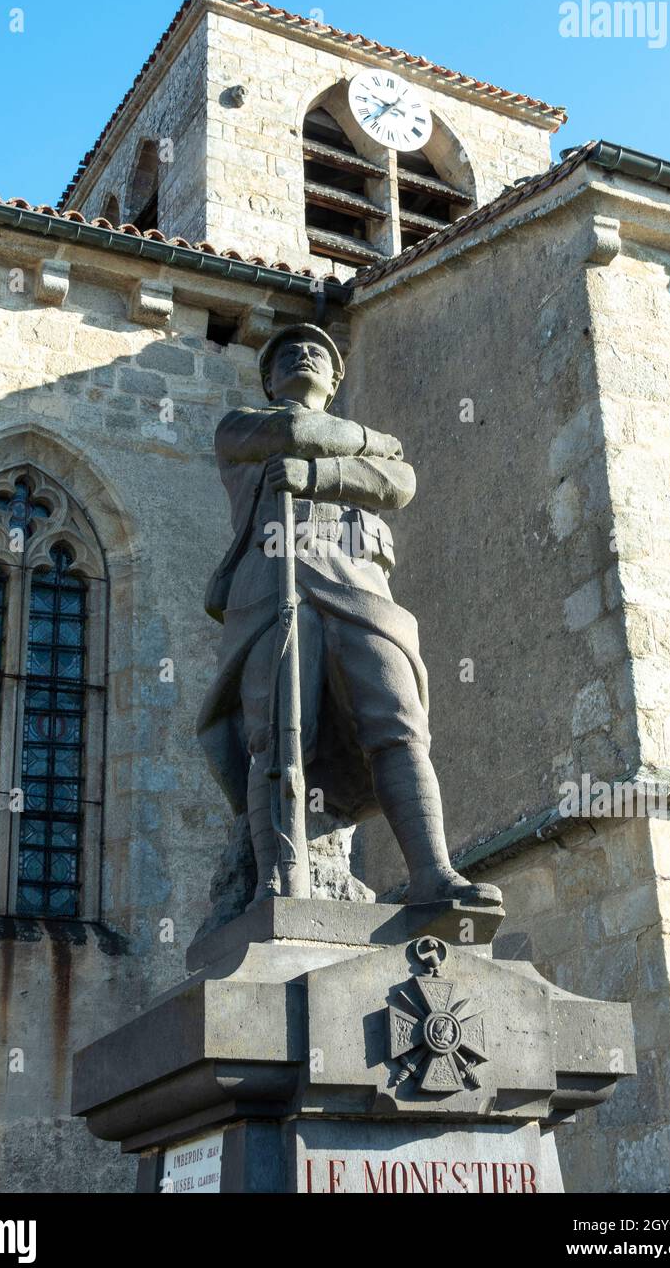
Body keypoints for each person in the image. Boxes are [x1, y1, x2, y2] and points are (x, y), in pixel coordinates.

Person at [197, 323, 501, 909]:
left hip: (361, 585)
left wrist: (315, 476)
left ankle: (433, 876)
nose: (304, 354)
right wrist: (372, 446)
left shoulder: (359, 440)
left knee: (399, 723)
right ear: (267, 380)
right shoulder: (242, 425)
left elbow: (401, 483)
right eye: (289, 353)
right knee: (278, 737)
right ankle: (279, 885)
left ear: (337, 381)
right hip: (274, 586)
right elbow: (292, 429)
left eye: (319, 352)